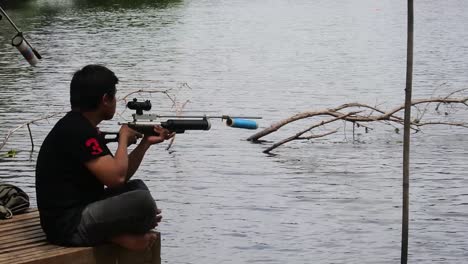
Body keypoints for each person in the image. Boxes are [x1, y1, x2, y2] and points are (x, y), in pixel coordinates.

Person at [35, 64, 174, 251]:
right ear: (105, 100)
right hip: (67, 227)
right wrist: (123, 139)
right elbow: (115, 179)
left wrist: (145, 143)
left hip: (79, 211)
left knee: (136, 188)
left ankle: (117, 232)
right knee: (142, 202)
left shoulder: (81, 126)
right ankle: (115, 235)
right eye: (114, 96)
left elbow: (120, 175)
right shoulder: (78, 131)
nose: (116, 101)